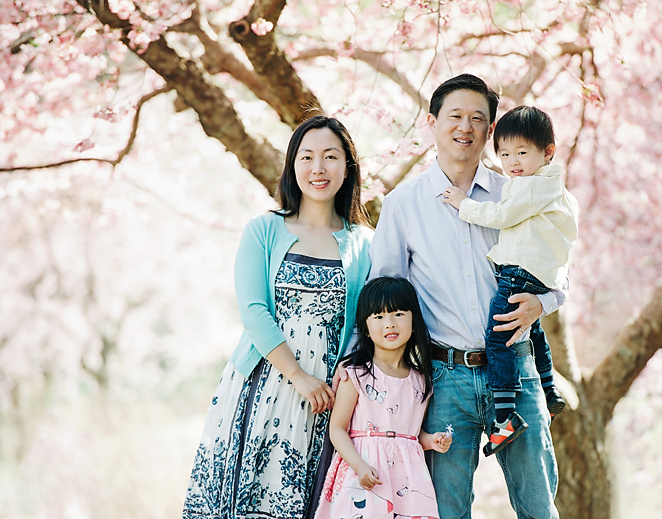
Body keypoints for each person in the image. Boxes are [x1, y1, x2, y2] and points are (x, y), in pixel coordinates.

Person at [367, 74, 562, 518]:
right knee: (445, 509)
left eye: (478, 119)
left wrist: (543, 303)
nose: (466, 127)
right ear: (432, 122)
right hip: (443, 378)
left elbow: (557, 265)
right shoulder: (404, 203)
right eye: (455, 116)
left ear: (491, 131)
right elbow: (385, 296)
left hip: (514, 364)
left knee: (538, 505)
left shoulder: (517, 192)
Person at [182, 115, 373, 519]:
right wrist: (298, 376)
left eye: (330, 157)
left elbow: (364, 324)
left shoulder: (364, 244)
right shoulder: (264, 230)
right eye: (306, 157)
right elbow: (253, 310)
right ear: (292, 166)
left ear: (348, 167)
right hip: (262, 384)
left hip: (326, 400)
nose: (317, 168)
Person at [441, 106, 578, 456]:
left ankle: (504, 417)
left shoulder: (530, 188)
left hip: (519, 271)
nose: (512, 162)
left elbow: (501, 216)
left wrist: (463, 204)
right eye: (504, 154)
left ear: (547, 152)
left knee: (497, 338)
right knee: (531, 330)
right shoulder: (558, 190)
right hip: (537, 275)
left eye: (521, 153)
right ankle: (548, 390)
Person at [315, 276, 453, 519]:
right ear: (366, 329)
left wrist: (430, 440)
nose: (389, 323)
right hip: (365, 472)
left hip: (408, 480)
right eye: (378, 317)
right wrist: (359, 466)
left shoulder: (421, 380)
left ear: (414, 322)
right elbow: (337, 428)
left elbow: (407, 432)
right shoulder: (356, 375)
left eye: (399, 314)